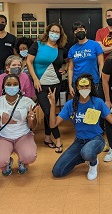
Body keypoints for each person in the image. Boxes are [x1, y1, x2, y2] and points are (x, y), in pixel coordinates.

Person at [49, 74, 112, 180]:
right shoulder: (71, 104)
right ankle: (85, 156)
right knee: (58, 171)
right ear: (77, 87)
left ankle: (93, 163)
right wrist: (53, 105)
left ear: (91, 87)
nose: (84, 89)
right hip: (79, 141)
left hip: (96, 139)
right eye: (81, 86)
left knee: (87, 152)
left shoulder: (98, 102)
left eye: (87, 86)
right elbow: (53, 124)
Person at [26, 23, 68, 153]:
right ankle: (58, 139)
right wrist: (35, 79)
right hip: (40, 84)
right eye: (52, 31)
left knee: (48, 111)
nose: (54, 33)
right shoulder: (38, 45)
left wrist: (64, 69)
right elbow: (29, 62)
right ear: (48, 31)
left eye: (57, 32)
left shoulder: (61, 49)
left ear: (60, 35)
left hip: (55, 83)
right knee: (49, 111)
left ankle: (48, 138)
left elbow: (67, 62)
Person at [0, 74, 38, 176]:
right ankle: (6, 163)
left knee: (30, 156)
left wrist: (31, 119)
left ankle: (23, 162)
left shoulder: (28, 102)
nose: (12, 87)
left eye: (15, 84)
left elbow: (33, 127)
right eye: (8, 84)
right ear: (3, 87)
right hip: (3, 136)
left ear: (19, 87)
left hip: (23, 135)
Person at [68, 21, 104, 97]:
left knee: (94, 106)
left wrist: (102, 80)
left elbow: (101, 64)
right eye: (76, 30)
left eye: (81, 29)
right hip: (78, 83)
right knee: (79, 106)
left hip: (94, 82)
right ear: (74, 34)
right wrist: (70, 85)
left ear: (85, 31)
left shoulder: (95, 45)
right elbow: (70, 69)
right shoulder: (72, 49)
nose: (79, 31)